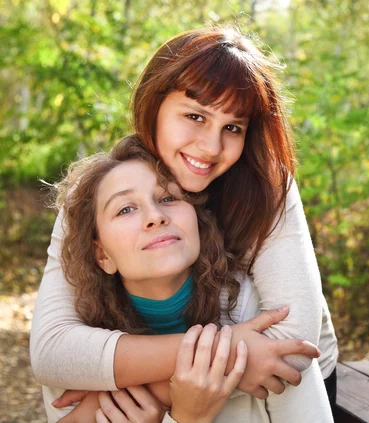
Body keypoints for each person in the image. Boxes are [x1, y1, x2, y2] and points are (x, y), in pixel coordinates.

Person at [30, 25, 338, 417]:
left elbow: (288, 349)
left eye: (233, 127)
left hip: (287, 390)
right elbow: (53, 351)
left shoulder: (265, 187)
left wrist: (107, 402)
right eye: (195, 116)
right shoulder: (100, 191)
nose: (210, 147)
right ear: (154, 107)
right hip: (229, 367)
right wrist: (205, 361)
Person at [42, 135, 332, 422]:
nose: (154, 216)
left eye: (168, 197)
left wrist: (148, 392)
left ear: (197, 222)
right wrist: (186, 417)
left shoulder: (261, 319)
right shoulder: (79, 358)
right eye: (125, 209)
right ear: (102, 255)